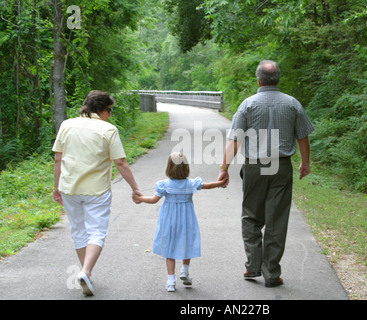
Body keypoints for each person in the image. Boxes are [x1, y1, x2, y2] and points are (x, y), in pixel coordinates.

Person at [217, 60, 315, 287]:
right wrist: (305, 163)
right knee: (276, 219)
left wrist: (224, 169)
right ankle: (271, 274)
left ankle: (253, 266)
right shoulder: (292, 104)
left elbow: (235, 139)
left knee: (251, 215)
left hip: (255, 166)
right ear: (277, 79)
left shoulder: (247, 105)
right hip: (281, 166)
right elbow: (303, 137)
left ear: (258, 79)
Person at [52, 90, 142, 296]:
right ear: (101, 109)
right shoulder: (108, 129)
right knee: (97, 232)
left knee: (78, 231)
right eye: (109, 110)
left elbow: (58, 159)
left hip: (69, 189)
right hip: (96, 190)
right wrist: (135, 189)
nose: (110, 115)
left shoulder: (66, 125)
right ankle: (85, 271)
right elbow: (120, 162)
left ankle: (87, 275)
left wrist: (56, 188)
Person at [133, 152, 227, 292]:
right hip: (186, 219)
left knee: (170, 249)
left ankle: (171, 281)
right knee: (186, 242)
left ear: (169, 168)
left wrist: (139, 198)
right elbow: (208, 185)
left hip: (169, 220)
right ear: (186, 168)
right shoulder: (191, 184)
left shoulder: (164, 185)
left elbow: (153, 200)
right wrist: (221, 182)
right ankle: (185, 271)